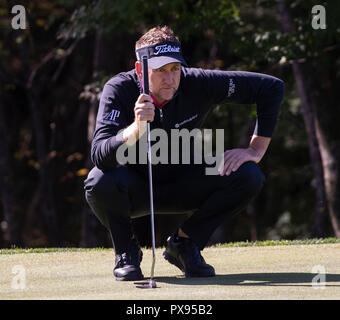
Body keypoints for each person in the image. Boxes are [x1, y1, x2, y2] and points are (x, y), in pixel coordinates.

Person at [84, 26, 284, 281]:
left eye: (175, 69)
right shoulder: (119, 89)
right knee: (98, 181)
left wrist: (255, 150)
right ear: (140, 70)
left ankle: (184, 245)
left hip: (185, 182)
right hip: (135, 188)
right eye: (160, 71)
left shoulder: (197, 82)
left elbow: (271, 88)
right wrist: (134, 129)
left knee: (248, 175)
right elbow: (99, 155)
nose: (170, 79)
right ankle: (126, 252)